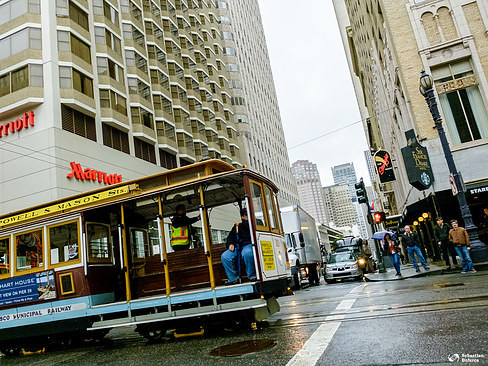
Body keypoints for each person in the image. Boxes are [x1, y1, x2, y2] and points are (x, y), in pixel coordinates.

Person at [221, 208, 256, 285]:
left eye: (248, 215)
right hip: (238, 247)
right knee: (225, 256)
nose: (247, 217)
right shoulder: (237, 226)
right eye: (245, 215)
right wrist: (230, 244)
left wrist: (246, 222)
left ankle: (252, 275)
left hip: (249, 245)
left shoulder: (256, 222)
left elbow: (249, 227)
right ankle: (233, 278)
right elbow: (230, 237)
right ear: (242, 216)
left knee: (248, 253)